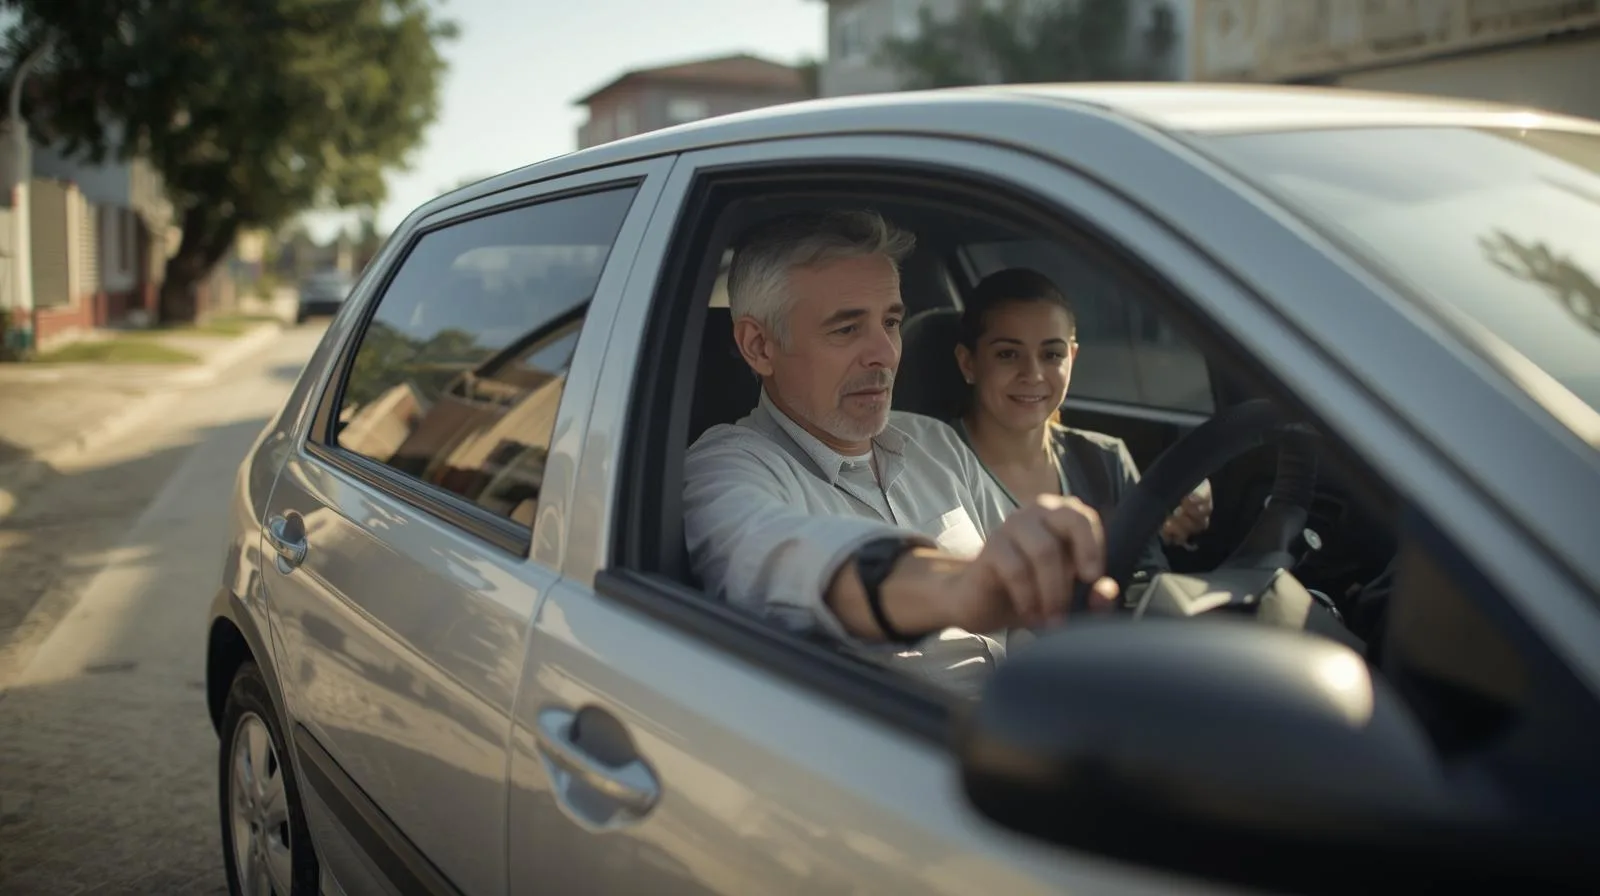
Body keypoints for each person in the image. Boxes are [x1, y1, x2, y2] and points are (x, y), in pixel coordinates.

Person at [682, 210, 1116, 687]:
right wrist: (959, 585)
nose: (887, 353)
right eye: (846, 329)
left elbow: (1026, 619)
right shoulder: (723, 469)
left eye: (891, 322)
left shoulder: (937, 443)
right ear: (759, 346)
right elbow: (781, 561)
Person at [949, 268, 1213, 582]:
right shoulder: (934, 466)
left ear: (1071, 358)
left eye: (1051, 354)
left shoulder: (1105, 460)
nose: (1032, 373)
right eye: (1008, 354)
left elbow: (1146, 582)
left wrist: (1172, 518)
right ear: (969, 363)